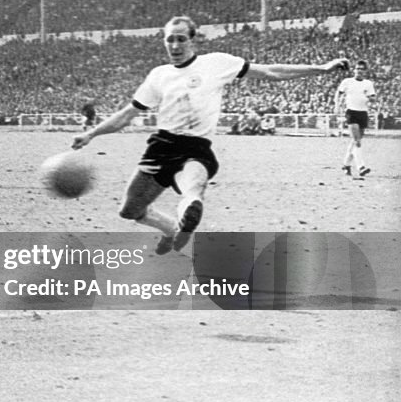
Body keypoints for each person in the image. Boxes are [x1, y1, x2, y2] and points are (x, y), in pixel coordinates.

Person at [71, 15, 348, 254]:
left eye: (181, 39)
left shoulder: (216, 63)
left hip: (195, 147)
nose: (176, 45)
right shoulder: (159, 75)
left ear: (193, 41)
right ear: (164, 42)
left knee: (192, 190)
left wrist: (321, 69)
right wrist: (91, 134)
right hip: (161, 146)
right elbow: (127, 114)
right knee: (129, 211)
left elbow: (270, 71)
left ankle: (189, 211)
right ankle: (172, 229)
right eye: (170, 40)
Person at [336, 59, 376, 179]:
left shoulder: (368, 83)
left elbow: (373, 97)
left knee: (355, 142)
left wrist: (371, 98)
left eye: (362, 69)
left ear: (365, 71)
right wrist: (336, 105)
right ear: (354, 69)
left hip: (363, 113)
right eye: (357, 68)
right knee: (357, 141)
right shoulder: (347, 81)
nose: (359, 71)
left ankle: (346, 164)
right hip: (351, 112)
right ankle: (361, 166)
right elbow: (339, 93)